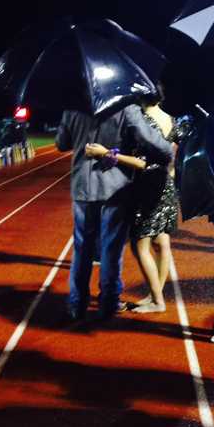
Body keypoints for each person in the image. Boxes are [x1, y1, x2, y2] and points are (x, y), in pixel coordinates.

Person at [56, 104, 172, 320]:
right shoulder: (126, 109)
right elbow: (160, 149)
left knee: (82, 250)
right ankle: (108, 302)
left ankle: (77, 303)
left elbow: (62, 144)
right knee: (112, 249)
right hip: (116, 189)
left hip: (83, 187)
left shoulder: (71, 108)